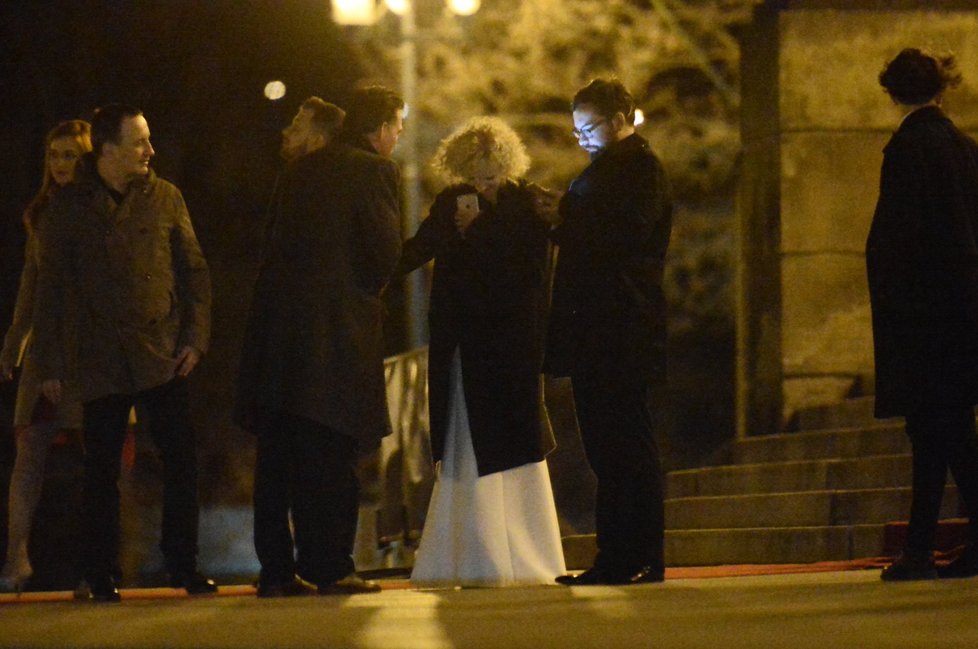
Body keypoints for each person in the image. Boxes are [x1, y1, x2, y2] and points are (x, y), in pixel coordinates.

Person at [31, 104, 214, 602]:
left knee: (181, 457)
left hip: (161, 351)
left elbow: (194, 271)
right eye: (139, 142)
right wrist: (48, 363)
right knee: (101, 469)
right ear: (108, 150)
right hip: (100, 355)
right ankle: (100, 571)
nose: (150, 151)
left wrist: (195, 337)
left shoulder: (165, 198)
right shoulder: (69, 209)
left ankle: (183, 564)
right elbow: (51, 292)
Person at [236, 94, 402, 597]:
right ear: (381, 128)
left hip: (280, 336)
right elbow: (384, 255)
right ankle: (329, 564)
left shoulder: (298, 172)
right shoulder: (373, 171)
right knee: (332, 453)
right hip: (337, 337)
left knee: (279, 455)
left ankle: (277, 571)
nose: (398, 138)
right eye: (397, 126)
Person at [399, 117, 566, 587]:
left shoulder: (527, 202)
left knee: (510, 441)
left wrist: (480, 230)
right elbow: (421, 247)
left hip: (511, 343)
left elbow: (530, 266)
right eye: (475, 175)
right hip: (466, 342)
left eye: (490, 174)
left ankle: (515, 555)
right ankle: (476, 555)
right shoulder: (452, 203)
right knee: (471, 438)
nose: (483, 183)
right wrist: (381, 271)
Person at [540, 78, 672, 586]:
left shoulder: (639, 170)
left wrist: (566, 213)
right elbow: (593, 234)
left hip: (621, 329)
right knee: (607, 449)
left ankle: (635, 555)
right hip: (600, 331)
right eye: (577, 131)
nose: (583, 139)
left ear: (619, 120)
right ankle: (618, 554)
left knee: (625, 449)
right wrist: (560, 217)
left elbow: (621, 238)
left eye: (588, 127)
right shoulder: (609, 171)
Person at [868, 48, 978, 581]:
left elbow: (897, 243)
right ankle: (930, 545)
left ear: (892, 92)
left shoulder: (906, 149)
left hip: (922, 318)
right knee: (953, 433)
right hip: (961, 314)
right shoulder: (962, 148)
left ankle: (917, 549)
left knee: (933, 433)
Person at [0, 120, 90, 593]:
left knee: (96, 456)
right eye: (54, 155)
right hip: (48, 352)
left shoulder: (93, 209)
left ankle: (92, 564)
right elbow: (33, 287)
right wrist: (15, 341)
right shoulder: (44, 212)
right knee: (29, 452)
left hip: (87, 353)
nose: (59, 164)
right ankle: (16, 555)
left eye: (70, 155)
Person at [337, 85, 405, 159]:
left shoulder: (325, 158)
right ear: (383, 130)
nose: (396, 141)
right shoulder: (381, 167)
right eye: (397, 132)